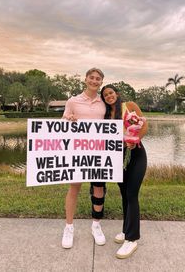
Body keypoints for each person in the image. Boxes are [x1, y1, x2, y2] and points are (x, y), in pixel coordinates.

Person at [101, 84, 148, 259]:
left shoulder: (130, 106)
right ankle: (125, 229)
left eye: (111, 93)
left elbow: (144, 126)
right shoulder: (105, 115)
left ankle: (132, 239)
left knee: (131, 194)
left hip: (136, 154)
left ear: (117, 93)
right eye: (105, 95)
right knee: (124, 194)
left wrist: (134, 140)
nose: (109, 96)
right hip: (118, 158)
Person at [62, 68, 107, 249]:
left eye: (98, 79)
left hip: (99, 152)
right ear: (86, 79)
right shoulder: (73, 101)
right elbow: (63, 124)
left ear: (101, 82)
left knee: (98, 189)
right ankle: (69, 227)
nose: (94, 81)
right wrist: (69, 119)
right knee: (74, 188)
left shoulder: (104, 102)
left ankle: (96, 225)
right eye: (92, 78)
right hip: (78, 152)